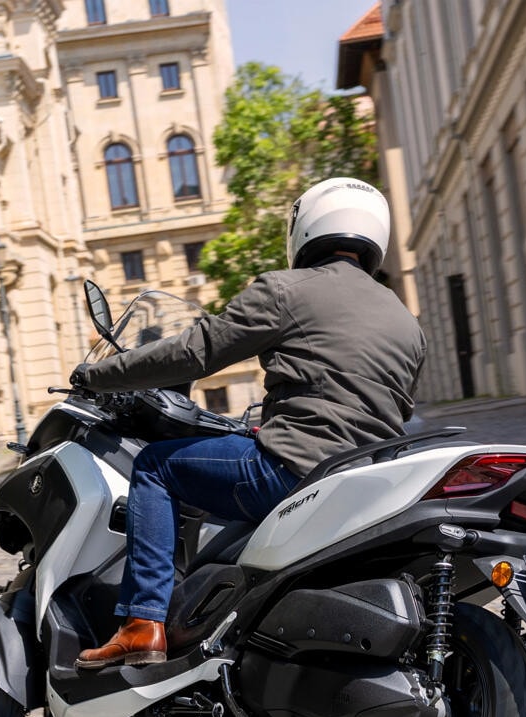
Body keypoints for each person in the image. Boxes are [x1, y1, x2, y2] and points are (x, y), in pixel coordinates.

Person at [71, 177, 427, 670]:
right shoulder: (407, 322)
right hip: (367, 483)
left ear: (305, 229)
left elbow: (195, 351)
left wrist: (96, 374)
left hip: (292, 470)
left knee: (155, 467)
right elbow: (393, 409)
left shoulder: (286, 291)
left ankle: (142, 623)